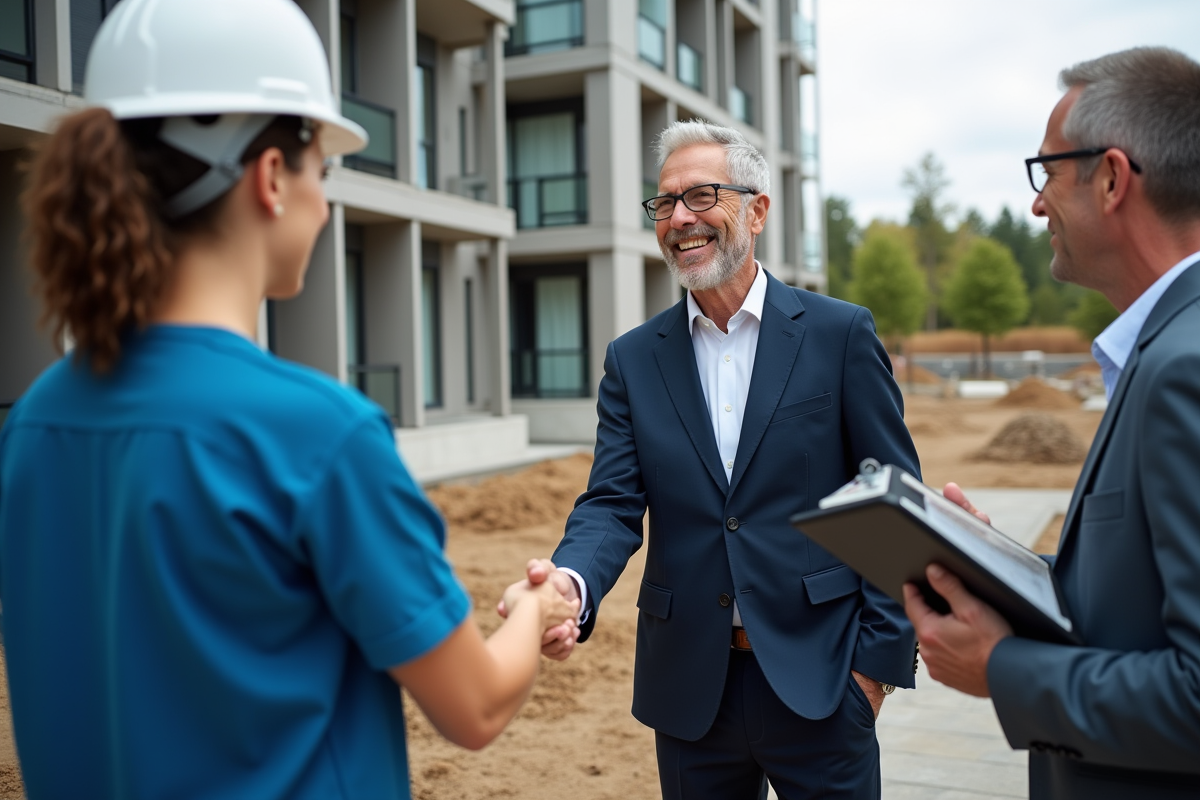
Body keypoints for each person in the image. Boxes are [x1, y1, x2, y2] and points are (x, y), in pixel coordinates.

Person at [0, 0, 578, 798]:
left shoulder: (35, 423)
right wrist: (535, 610)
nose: (325, 201)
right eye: (324, 171)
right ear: (272, 176)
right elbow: (473, 705)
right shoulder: (318, 435)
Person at [502, 120, 921, 799]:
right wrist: (571, 589)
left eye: (701, 196)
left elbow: (894, 500)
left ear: (756, 210)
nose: (680, 219)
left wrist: (874, 671)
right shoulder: (633, 360)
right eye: (665, 203)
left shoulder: (840, 334)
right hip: (690, 691)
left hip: (822, 682)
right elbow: (611, 504)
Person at [904, 47, 1200, 800]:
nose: (1037, 204)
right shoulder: (1164, 346)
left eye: (1048, 171)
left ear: (1110, 178)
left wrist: (1003, 669)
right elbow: (1144, 611)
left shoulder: (1184, 368)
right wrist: (1001, 573)